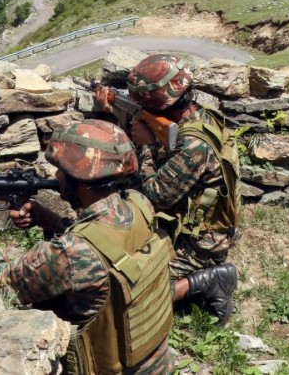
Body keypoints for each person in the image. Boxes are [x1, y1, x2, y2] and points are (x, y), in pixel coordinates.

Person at [0, 119, 174, 375]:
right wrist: (54, 222)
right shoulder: (140, 205)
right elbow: (108, 249)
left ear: (78, 179)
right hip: (156, 361)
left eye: (60, 170)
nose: (56, 176)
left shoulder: (71, 253)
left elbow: (2, 280)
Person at [96, 53, 239, 324]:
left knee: (127, 294)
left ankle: (209, 280)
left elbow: (154, 197)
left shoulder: (195, 146)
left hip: (200, 244)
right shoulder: (200, 117)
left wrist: (147, 146)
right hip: (191, 224)